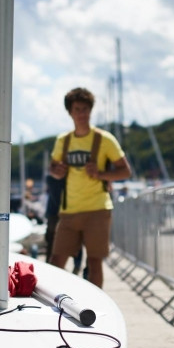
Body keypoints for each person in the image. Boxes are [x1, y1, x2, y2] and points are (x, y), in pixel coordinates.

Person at [48, 87, 131, 288]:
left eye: (85, 109)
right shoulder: (63, 140)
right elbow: (52, 167)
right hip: (69, 210)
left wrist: (101, 174)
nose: (81, 114)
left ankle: (95, 309)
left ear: (90, 111)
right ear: (70, 112)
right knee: (56, 261)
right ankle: (56, 302)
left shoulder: (104, 139)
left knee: (94, 262)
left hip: (97, 209)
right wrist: (56, 171)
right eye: (77, 109)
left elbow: (125, 171)